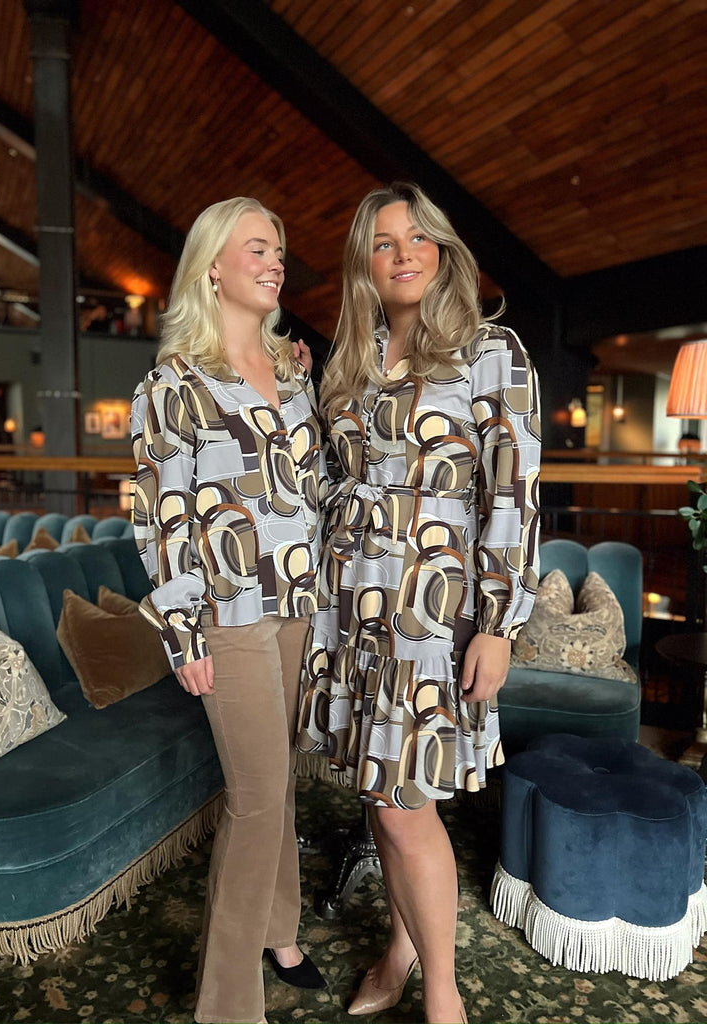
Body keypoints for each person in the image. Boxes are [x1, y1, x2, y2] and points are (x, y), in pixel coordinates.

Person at [297, 182, 541, 1024]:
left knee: (406, 812)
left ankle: (444, 994)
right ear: (363, 264)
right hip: (351, 606)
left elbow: (513, 496)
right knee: (381, 793)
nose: (403, 254)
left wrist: (501, 624)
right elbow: (325, 479)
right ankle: (401, 948)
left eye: (418, 238)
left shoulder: (490, 350)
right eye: (383, 242)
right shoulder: (352, 359)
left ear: (443, 251)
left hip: (433, 611)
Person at [131, 196, 327, 1024]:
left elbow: (312, 490)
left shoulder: (293, 370)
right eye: (257, 247)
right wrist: (183, 632)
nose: (275, 261)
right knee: (255, 797)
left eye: (278, 249)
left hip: (300, 603)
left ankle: (281, 931)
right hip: (231, 613)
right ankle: (226, 1004)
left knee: (282, 780)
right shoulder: (171, 385)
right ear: (212, 265)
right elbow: (162, 515)